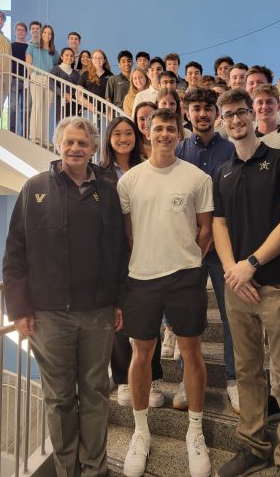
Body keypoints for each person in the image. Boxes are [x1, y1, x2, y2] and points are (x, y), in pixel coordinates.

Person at [3, 116, 127, 477]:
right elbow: (15, 251)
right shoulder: (35, 188)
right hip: (48, 316)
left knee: (95, 395)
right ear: (59, 145)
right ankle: (67, 470)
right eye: (69, 142)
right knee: (59, 399)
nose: (75, 148)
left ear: (93, 148)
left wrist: (118, 301)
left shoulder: (108, 191)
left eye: (82, 143)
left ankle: (95, 468)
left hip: (97, 313)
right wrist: (19, 309)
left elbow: (118, 251)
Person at [213, 88, 280, 477]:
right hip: (237, 286)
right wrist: (232, 271)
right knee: (247, 371)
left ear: (253, 115)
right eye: (228, 115)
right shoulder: (222, 171)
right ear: (222, 122)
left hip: (278, 285)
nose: (236, 120)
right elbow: (219, 225)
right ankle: (254, 446)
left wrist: (251, 264)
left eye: (241, 112)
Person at [117, 108, 214, 477]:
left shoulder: (198, 178)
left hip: (185, 277)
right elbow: (128, 234)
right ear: (147, 132)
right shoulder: (130, 180)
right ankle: (141, 431)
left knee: (192, 353)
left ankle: (195, 431)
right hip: (141, 278)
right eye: (158, 128)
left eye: (171, 129)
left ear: (179, 133)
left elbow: (205, 230)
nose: (164, 134)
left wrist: (185, 260)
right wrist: (150, 258)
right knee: (141, 354)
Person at [174, 88, 238, 413]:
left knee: (231, 317)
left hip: (224, 247)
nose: (202, 114)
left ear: (216, 114)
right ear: (187, 113)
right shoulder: (178, 150)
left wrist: (213, 232)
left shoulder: (231, 149)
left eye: (208, 108)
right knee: (189, 318)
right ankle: (187, 380)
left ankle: (234, 380)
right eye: (196, 108)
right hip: (189, 249)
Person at [99, 117, 164, 409]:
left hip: (148, 249)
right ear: (108, 139)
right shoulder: (99, 174)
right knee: (118, 317)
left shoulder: (149, 166)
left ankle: (153, 377)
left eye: (128, 133)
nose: (124, 138)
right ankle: (124, 377)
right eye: (117, 134)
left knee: (151, 314)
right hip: (114, 254)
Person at [26, 24, 60, 146]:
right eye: (45, 32)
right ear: (41, 34)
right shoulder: (32, 46)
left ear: (52, 36)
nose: (47, 35)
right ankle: (34, 137)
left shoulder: (54, 52)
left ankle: (44, 139)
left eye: (49, 33)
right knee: (37, 105)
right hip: (37, 77)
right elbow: (28, 64)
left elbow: (56, 67)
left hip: (49, 81)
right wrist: (32, 77)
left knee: (46, 108)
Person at [77, 49, 113, 118]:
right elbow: (78, 94)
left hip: (105, 112)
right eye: (95, 58)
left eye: (100, 58)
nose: (98, 60)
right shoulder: (85, 74)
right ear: (91, 60)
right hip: (88, 110)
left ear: (104, 60)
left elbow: (111, 96)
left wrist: (109, 112)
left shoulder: (110, 75)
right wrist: (88, 105)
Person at [50, 47, 81, 122]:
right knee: (61, 123)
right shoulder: (56, 69)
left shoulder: (76, 73)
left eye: (71, 56)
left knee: (73, 123)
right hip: (61, 100)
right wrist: (63, 93)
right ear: (61, 57)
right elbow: (50, 83)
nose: (69, 57)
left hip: (74, 102)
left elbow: (79, 89)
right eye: (67, 55)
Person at [10, 21, 28, 135]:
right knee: (13, 106)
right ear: (15, 32)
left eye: (22, 30)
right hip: (14, 80)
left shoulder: (29, 47)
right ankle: (11, 132)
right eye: (18, 30)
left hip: (27, 80)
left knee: (26, 108)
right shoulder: (10, 46)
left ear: (26, 33)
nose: (20, 32)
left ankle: (25, 133)